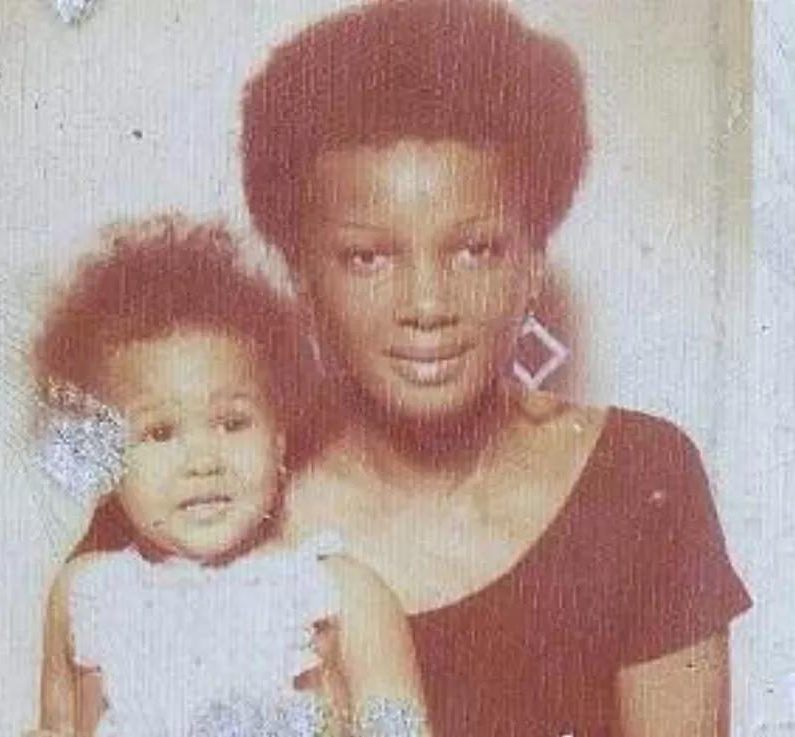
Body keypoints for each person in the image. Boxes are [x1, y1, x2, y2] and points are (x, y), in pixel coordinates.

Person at [234, 1, 753, 735]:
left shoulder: (642, 480)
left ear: (534, 260)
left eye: (475, 249)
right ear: (300, 275)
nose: (426, 302)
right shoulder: (205, 500)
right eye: (367, 257)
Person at [27, 217, 432, 736]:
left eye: (232, 424)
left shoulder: (336, 593)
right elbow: (60, 728)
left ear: (279, 436)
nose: (202, 461)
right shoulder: (85, 592)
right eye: (160, 433)